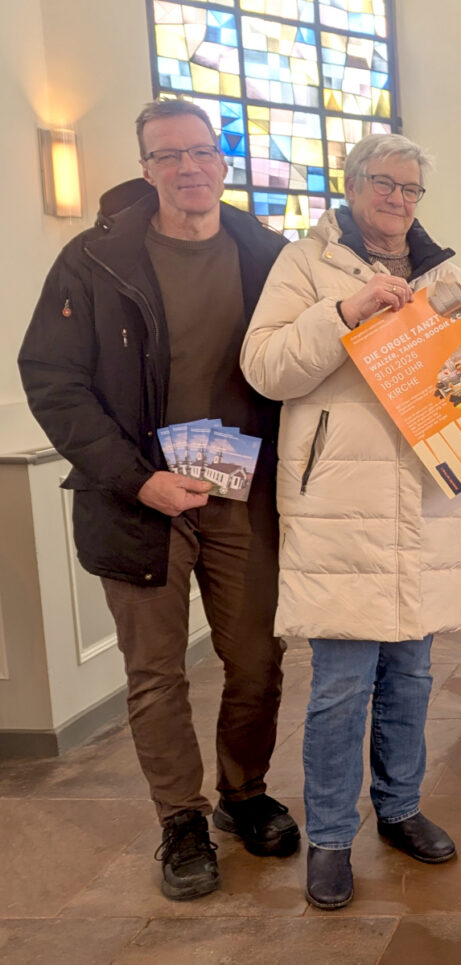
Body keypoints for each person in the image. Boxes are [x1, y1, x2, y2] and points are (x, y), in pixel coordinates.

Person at [240, 132, 461, 911]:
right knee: (340, 687)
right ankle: (328, 836)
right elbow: (265, 364)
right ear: (351, 187)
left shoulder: (445, 273)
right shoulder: (306, 264)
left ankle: (399, 808)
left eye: (410, 188)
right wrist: (345, 311)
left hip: (426, 501)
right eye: (383, 184)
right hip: (341, 504)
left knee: (412, 677)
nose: (396, 199)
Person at [18, 100, 296, 901]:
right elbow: (53, 381)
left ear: (221, 162)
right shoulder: (93, 260)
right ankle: (181, 817)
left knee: (256, 660)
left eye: (201, 153)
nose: (187, 169)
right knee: (155, 671)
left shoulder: (267, 255)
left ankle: (245, 792)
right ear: (145, 167)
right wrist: (138, 478)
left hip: (244, 492)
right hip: (140, 497)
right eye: (167, 156)